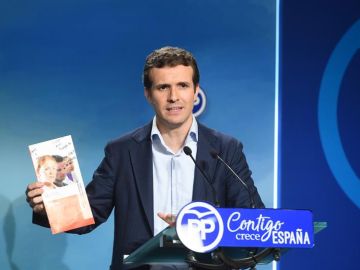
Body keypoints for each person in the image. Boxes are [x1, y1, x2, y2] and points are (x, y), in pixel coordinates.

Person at [26, 46, 264, 270]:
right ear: (148, 94)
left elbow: (250, 222)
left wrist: (201, 225)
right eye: (163, 87)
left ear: (196, 91)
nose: (174, 97)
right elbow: (90, 216)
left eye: (182, 85)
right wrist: (48, 207)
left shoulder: (225, 149)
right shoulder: (121, 151)